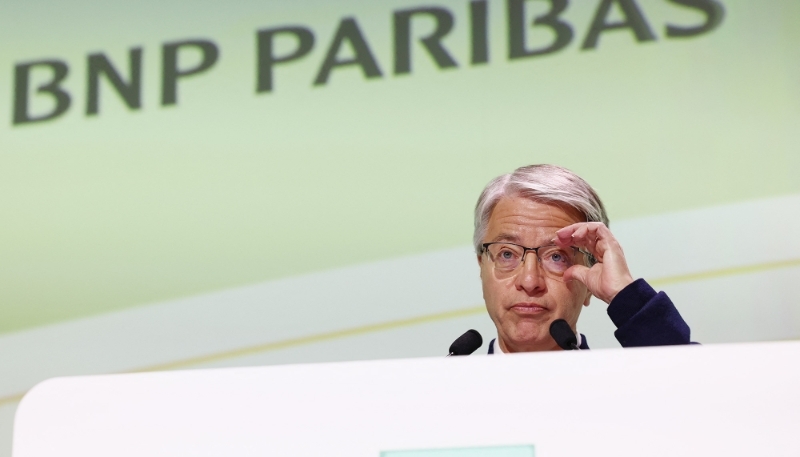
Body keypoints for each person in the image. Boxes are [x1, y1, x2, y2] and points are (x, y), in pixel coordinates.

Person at [474, 164, 691, 353]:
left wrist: (626, 296)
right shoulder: (445, 392)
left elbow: (696, 386)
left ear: (588, 283)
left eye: (556, 256)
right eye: (507, 254)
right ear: (481, 266)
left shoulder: (625, 389)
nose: (530, 282)